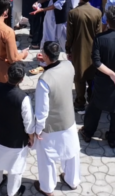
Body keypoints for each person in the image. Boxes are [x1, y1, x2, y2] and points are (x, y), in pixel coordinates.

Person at [81, 6, 115, 148]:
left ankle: (87, 133)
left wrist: (110, 73)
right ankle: (112, 138)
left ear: (107, 21)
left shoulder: (99, 39)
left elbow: (96, 62)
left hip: (103, 78)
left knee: (95, 108)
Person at [32, 42, 80, 196]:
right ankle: (72, 181)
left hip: (51, 126)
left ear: (45, 55)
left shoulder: (44, 80)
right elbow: (58, 71)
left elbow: (42, 111)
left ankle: (47, 188)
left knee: (47, 158)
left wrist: (37, 130)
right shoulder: (69, 66)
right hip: (69, 119)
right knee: (72, 152)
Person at [0, 64, 35, 196]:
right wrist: (31, 138)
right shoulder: (23, 98)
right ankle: (12, 192)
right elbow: (29, 123)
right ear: (22, 80)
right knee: (15, 169)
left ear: (6, 75)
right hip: (16, 141)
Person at [66, 0, 102, 113]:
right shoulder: (97, 12)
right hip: (93, 50)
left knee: (79, 78)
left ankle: (80, 103)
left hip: (78, 49)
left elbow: (70, 35)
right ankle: (92, 100)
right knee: (92, 76)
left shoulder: (73, 13)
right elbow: (99, 34)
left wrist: (68, 49)